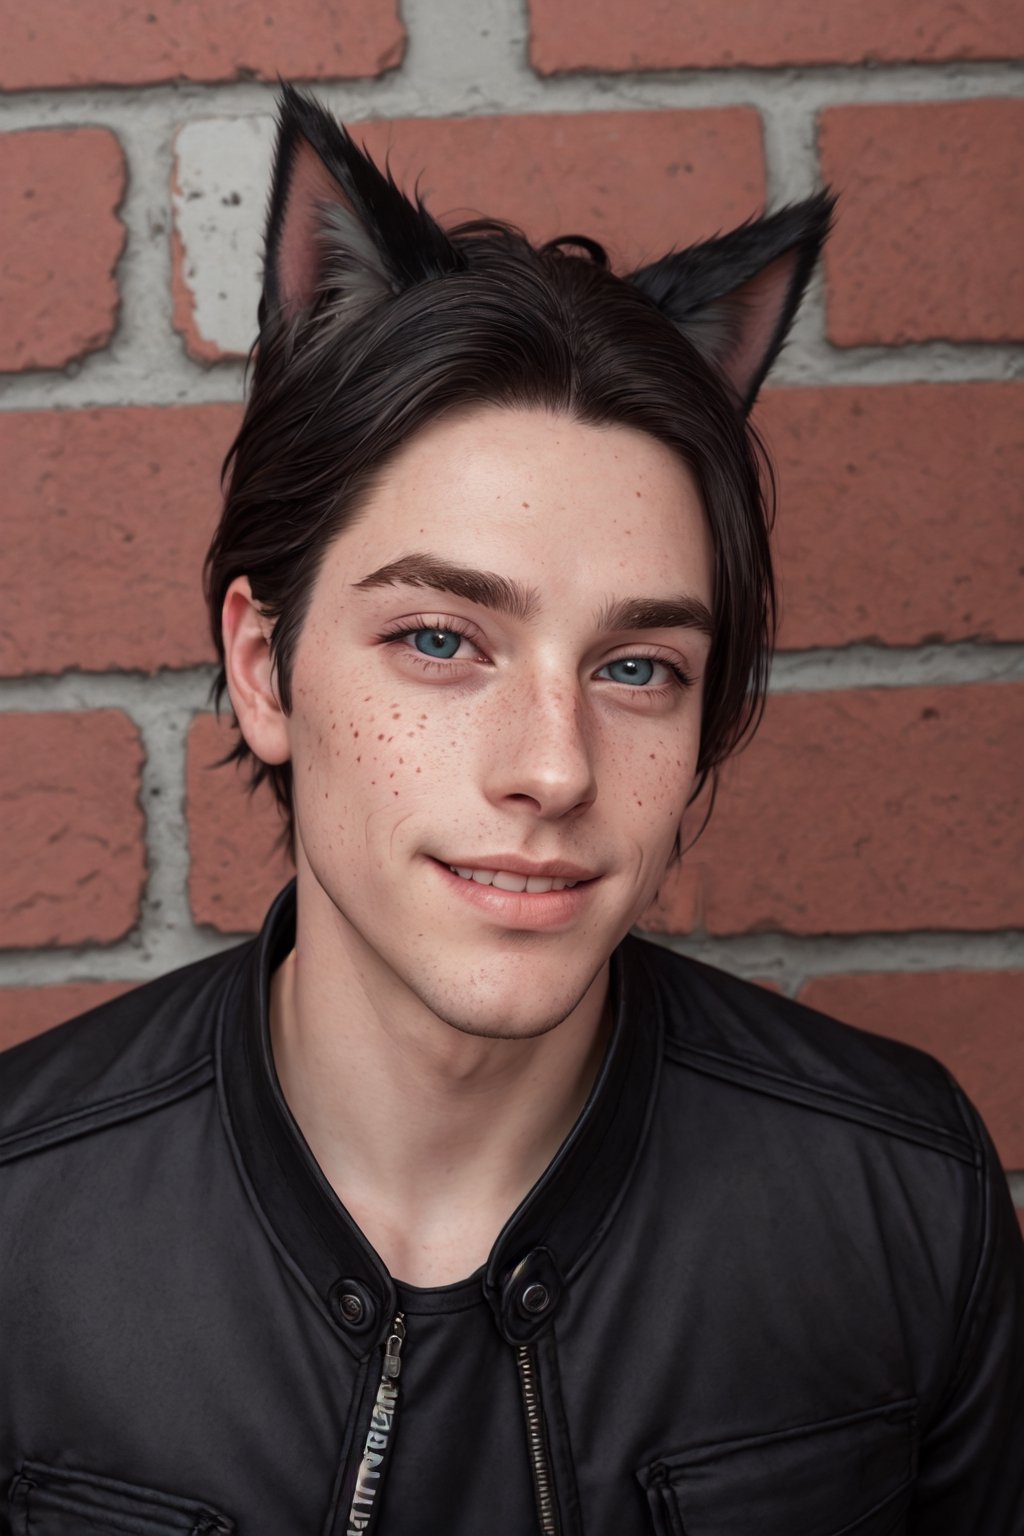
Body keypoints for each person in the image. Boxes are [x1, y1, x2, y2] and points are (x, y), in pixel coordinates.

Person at [1, 84, 1021, 1536]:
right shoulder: (23, 1224)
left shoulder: (898, 1198)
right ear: (263, 668)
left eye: (635, 666)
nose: (554, 769)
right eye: (440, 641)